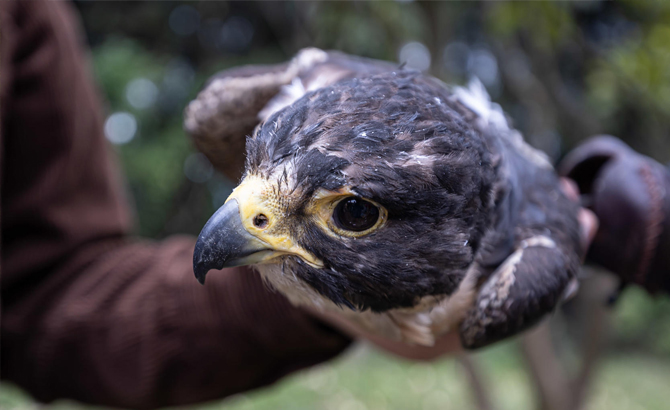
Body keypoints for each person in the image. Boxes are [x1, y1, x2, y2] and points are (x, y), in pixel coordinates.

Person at [0, 1, 665, 409]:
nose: (242, 213)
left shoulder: (517, 269)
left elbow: (47, 288)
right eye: (252, 177)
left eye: (351, 214)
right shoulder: (271, 107)